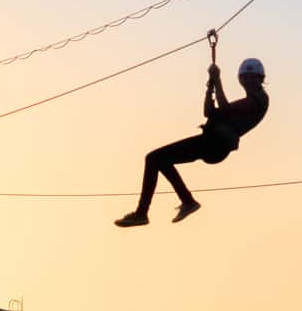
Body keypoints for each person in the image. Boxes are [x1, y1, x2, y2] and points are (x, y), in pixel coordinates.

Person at [115, 58, 269, 227]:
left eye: (252, 77)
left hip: (215, 144)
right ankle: (184, 202)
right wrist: (210, 87)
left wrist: (217, 79)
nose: (248, 81)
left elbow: (224, 108)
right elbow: (209, 112)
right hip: (212, 142)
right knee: (158, 159)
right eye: (246, 78)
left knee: (154, 158)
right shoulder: (245, 104)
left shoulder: (259, 100)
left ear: (260, 79)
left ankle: (144, 212)